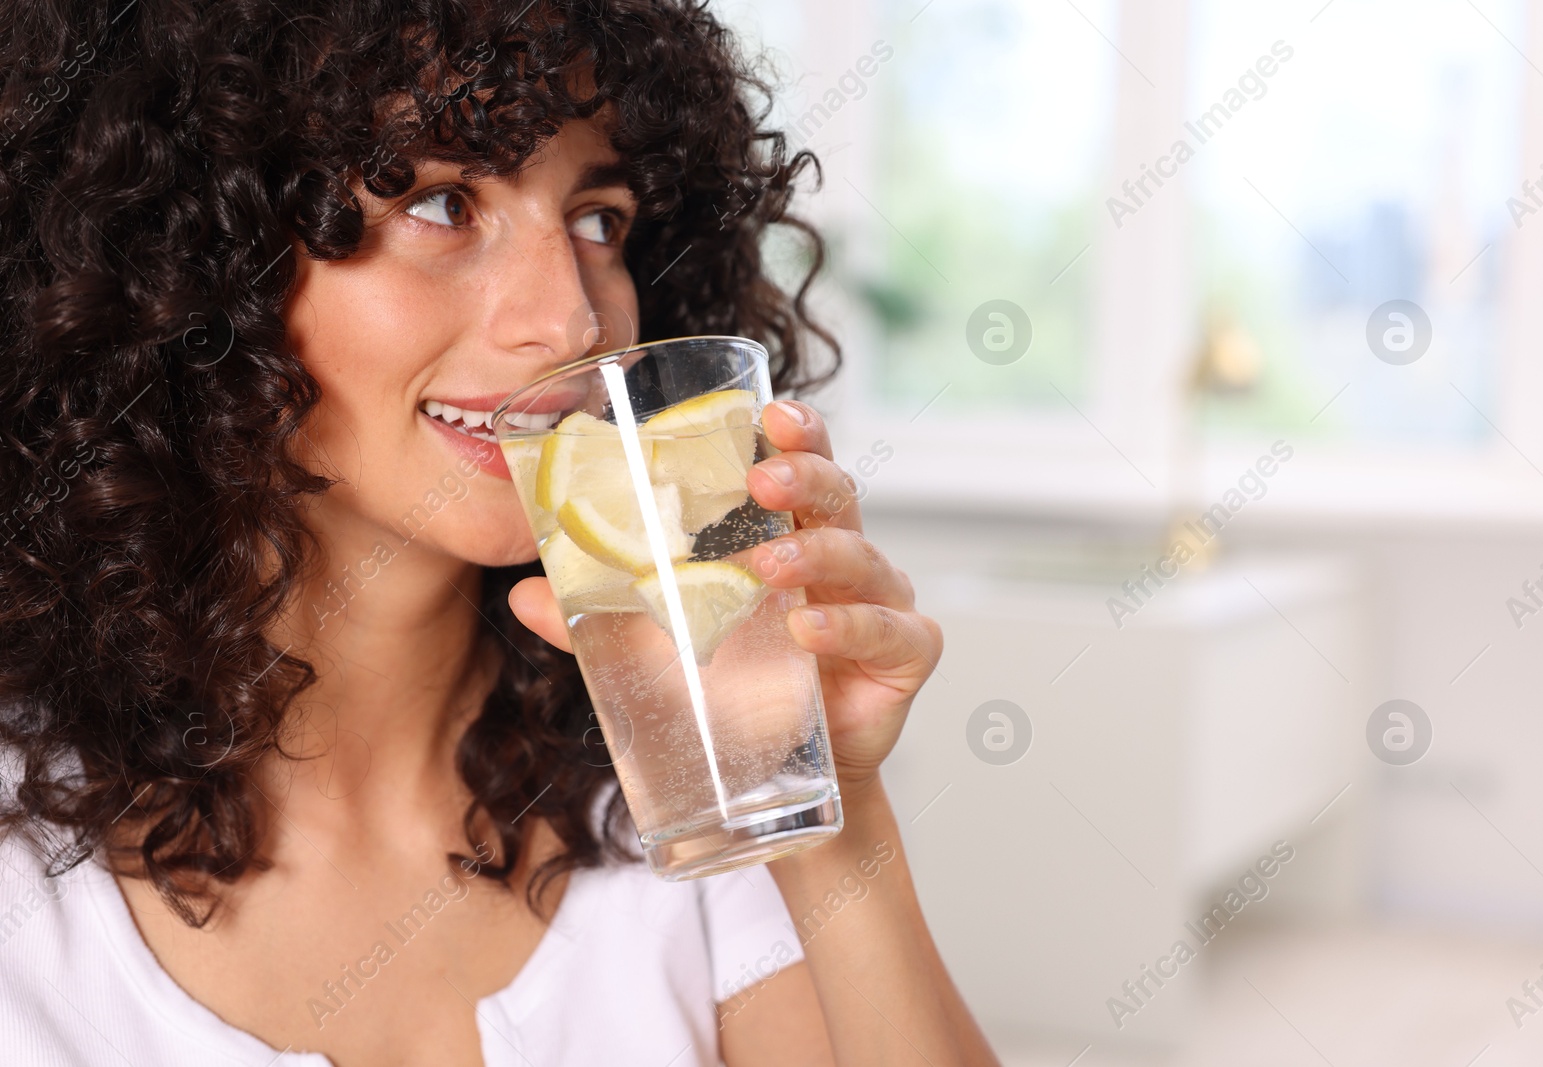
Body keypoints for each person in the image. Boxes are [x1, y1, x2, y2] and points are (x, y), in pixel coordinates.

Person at [0, 1, 998, 1064]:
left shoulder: (680, 805)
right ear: (199, 256)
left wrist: (830, 805)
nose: (569, 320)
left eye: (601, 219)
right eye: (441, 202)